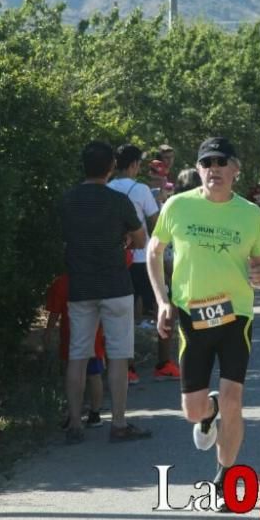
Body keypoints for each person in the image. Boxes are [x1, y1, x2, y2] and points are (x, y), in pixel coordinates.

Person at [146, 136, 260, 512]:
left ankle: (225, 479)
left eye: (221, 161)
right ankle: (209, 412)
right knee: (193, 412)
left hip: (236, 316)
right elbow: (154, 250)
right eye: (206, 162)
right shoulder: (178, 206)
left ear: (235, 169)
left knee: (235, 400)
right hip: (191, 316)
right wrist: (162, 301)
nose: (213, 168)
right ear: (198, 169)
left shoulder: (251, 214)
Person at [59, 141, 151, 444]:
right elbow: (140, 240)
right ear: (111, 167)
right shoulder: (117, 201)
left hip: (80, 286)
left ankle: (75, 423)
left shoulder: (67, 200)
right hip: (115, 285)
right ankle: (119, 423)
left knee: (78, 356)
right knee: (119, 356)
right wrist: (123, 239)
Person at [108, 145, 181, 383]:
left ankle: (128, 369)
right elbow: (156, 223)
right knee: (165, 307)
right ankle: (164, 363)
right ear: (133, 165)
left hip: (119, 259)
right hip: (143, 259)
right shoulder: (139, 189)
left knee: (125, 314)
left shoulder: (107, 188)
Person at [44, 273, 106, 430]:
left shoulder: (62, 282)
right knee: (94, 375)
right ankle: (95, 413)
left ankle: (74, 416)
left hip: (71, 337)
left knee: (73, 374)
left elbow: (55, 312)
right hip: (94, 336)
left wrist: (48, 332)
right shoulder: (97, 280)